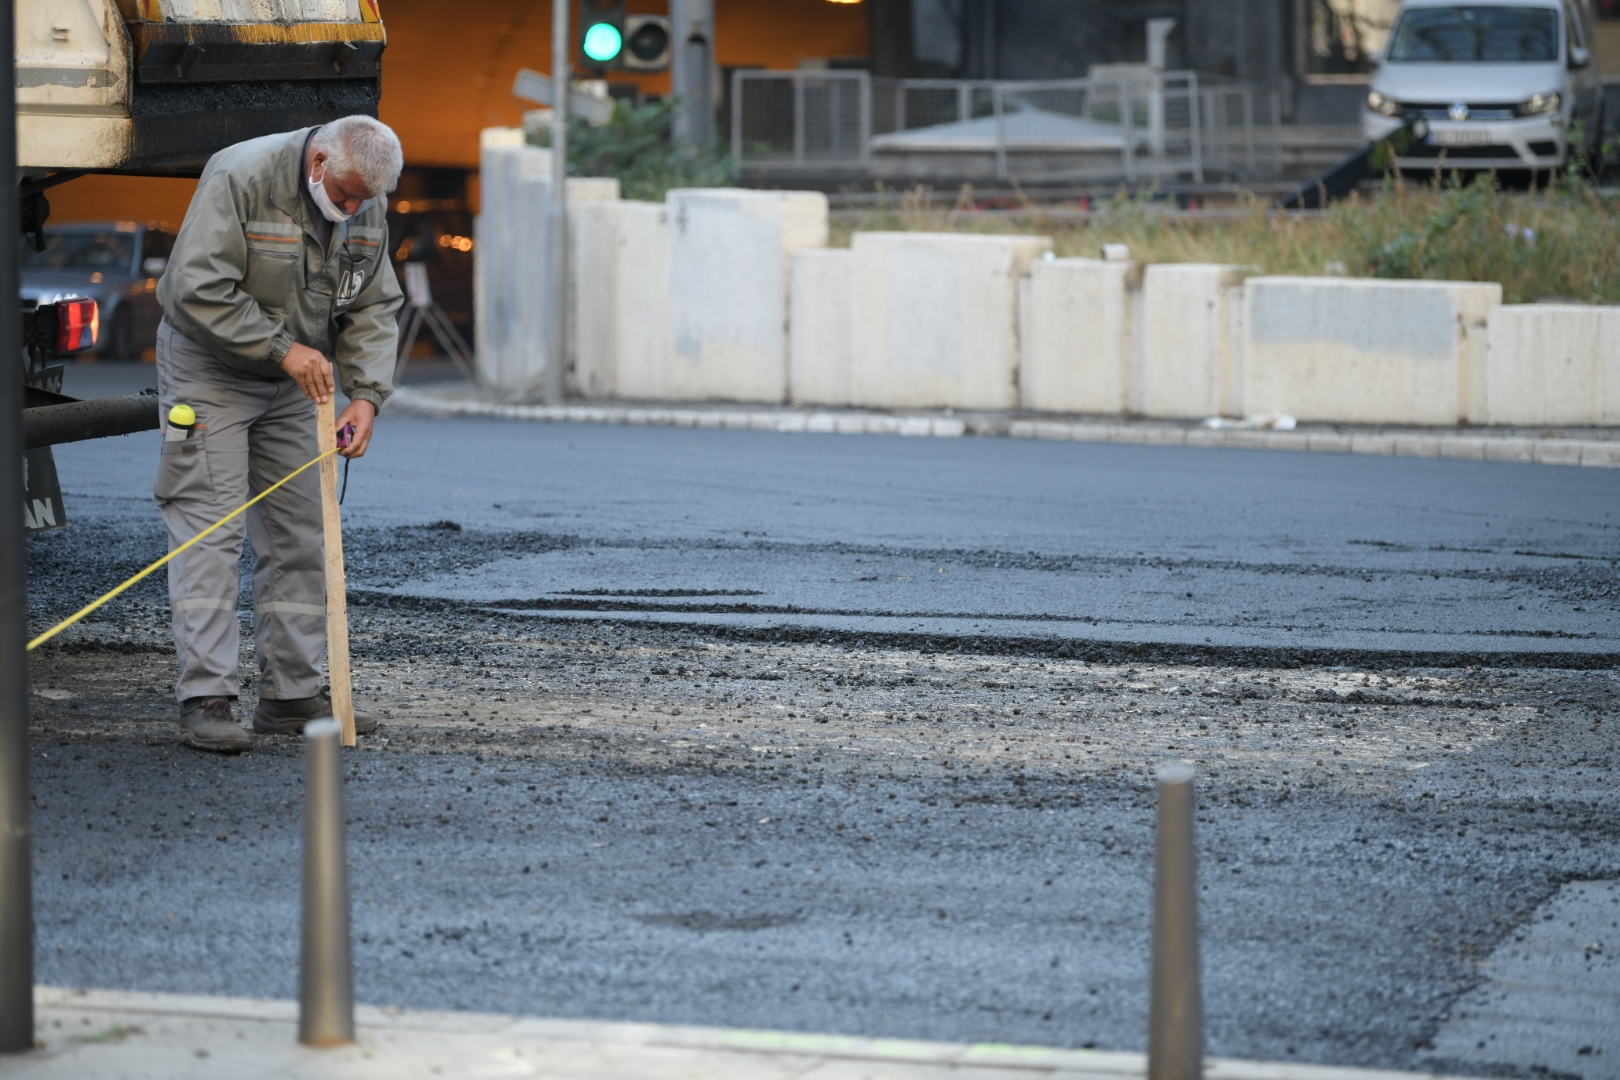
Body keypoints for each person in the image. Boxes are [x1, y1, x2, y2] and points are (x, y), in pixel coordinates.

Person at [153, 116, 404, 753]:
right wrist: (282, 348)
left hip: (298, 378)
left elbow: (372, 305)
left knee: (301, 531)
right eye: (345, 195)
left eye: (365, 201)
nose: (353, 210)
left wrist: (367, 396)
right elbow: (196, 288)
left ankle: (291, 695)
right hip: (211, 366)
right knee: (211, 528)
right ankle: (207, 697)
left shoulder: (365, 199)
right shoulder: (241, 174)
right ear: (318, 162)